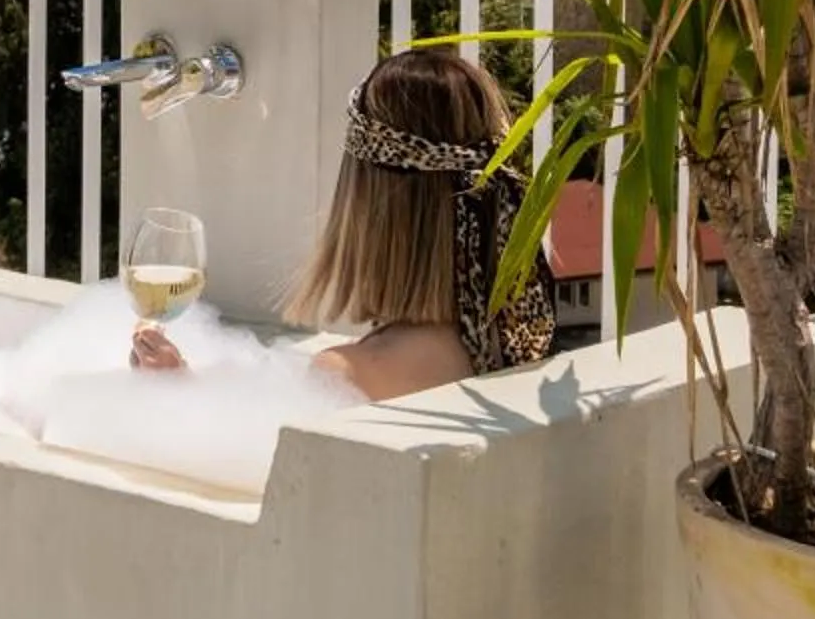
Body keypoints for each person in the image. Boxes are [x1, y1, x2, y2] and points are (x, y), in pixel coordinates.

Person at [130, 47, 555, 400]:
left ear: (371, 205)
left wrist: (175, 393)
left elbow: (252, 469)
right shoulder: (516, 347)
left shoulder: (348, 376)